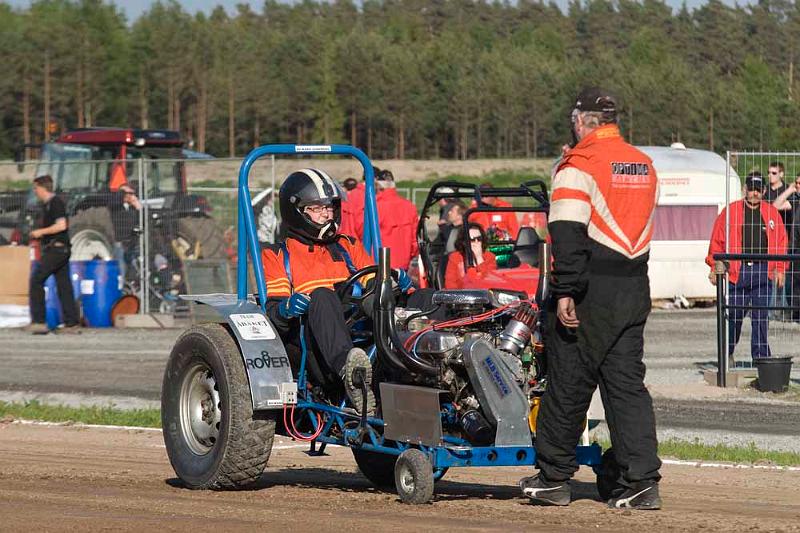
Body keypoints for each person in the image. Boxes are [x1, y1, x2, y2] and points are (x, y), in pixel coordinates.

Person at [519, 87, 662, 510]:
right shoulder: (645, 164)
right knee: (627, 388)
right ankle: (641, 482)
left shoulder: (577, 166)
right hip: (635, 287)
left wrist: (566, 291)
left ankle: (554, 478)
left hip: (588, 290)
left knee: (567, 384)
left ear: (581, 121)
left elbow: (566, 233)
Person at [261, 168, 415, 415]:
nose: (326, 215)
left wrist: (396, 284)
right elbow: (272, 315)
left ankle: (426, 351)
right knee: (322, 295)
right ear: (297, 212)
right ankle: (352, 373)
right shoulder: (278, 255)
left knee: (420, 295)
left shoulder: (347, 245)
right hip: (314, 348)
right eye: (317, 208)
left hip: (362, 331)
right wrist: (285, 308)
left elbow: (372, 281)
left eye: (330, 207)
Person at [707, 172, 787, 362]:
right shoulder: (730, 211)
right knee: (734, 315)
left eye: (758, 190)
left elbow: (781, 242)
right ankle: (727, 354)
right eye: (751, 189)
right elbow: (717, 240)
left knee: (761, 319)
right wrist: (713, 265)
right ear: (745, 189)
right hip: (738, 271)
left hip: (763, 270)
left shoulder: (771, 213)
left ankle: (761, 360)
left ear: (764, 191)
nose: (754, 194)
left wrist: (780, 267)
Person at [27, 175, 81, 334]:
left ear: (43, 188)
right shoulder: (47, 205)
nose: (35, 191)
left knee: (36, 280)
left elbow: (62, 225)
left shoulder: (55, 203)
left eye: (36, 188)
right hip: (59, 249)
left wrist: (40, 232)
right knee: (64, 285)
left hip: (57, 249)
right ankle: (71, 323)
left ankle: (39, 322)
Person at [375, 169, 419, 270]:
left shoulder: (375, 206)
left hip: (380, 263)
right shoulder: (409, 206)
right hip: (403, 264)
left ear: (378, 185)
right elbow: (415, 239)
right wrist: (409, 255)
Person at [772, 173, 800, 321]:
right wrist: (790, 190)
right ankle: (795, 314)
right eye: (797, 183)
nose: (798, 186)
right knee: (792, 286)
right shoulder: (795, 201)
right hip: (794, 251)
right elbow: (775, 206)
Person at [444, 223, 497, 289]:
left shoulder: (490, 257)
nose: (476, 242)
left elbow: (489, 281)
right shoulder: (455, 257)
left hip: (484, 295)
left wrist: (479, 258)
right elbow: (450, 284)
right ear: (464, 242)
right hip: (462, 295)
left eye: (479, 238)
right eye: (472, 239)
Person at [110, 183, 142, 280]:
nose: (130, 195)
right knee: (120, 262)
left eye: (132, 193)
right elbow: (114, 204)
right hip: (119, 241)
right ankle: (121, 282)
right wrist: (122, 195)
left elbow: (143, 221)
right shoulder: (116, 207)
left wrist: (138, 208)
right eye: (126, 193)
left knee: (133, 263)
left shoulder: (133, 209)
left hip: (132, 242)